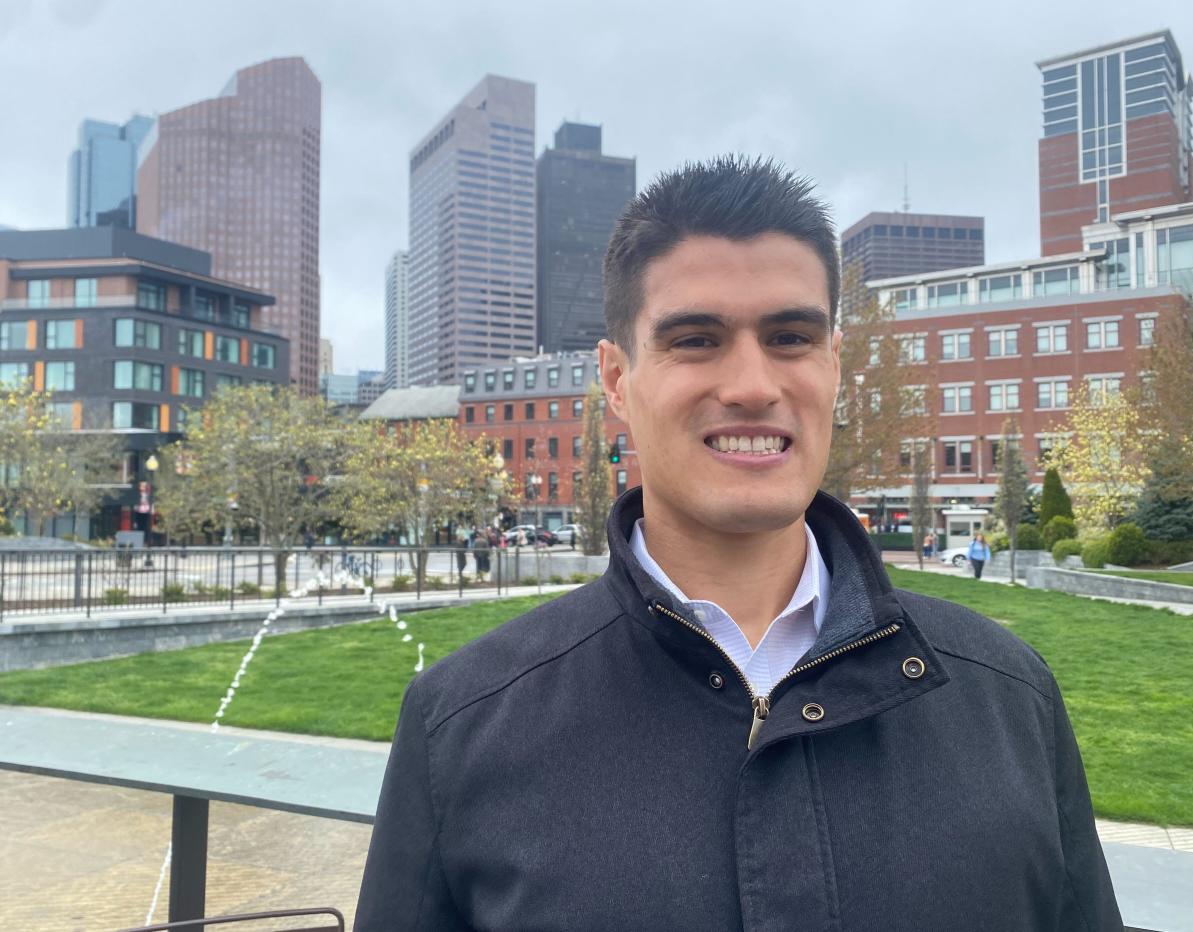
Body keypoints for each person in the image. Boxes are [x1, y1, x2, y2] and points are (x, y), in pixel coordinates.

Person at [356, 156, 1121, 930]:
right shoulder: (462, 725)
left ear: (833, 365)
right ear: (617, 380)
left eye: (791, 336)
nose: (754, 384)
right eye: (696, 339)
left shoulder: (1007, 698)